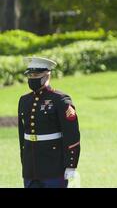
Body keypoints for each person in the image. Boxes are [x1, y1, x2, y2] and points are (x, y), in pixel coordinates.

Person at [18, 57, 80, 188]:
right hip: (31, 167)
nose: (32, 78)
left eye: (36, 74)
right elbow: (22, 135)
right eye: (30, 75)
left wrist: (71, 165)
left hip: (53, 166)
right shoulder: (24, 100)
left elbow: (71, 134)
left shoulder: (60, 99)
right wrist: (24, 161)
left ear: (47, 75)